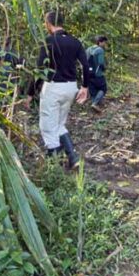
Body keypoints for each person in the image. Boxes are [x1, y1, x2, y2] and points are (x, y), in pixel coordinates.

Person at [34, 10, 89, 169]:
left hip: (53, 87)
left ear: (48, 24)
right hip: (71, 87)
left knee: (47, 127)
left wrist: (31, 92)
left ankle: (54, 167)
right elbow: (85, 65)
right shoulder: (75, 42)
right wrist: (84, 87)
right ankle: (73, 158)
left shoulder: (48, 41)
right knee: (59, 125)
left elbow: (40, 68)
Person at [86, 35, 108, 108]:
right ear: (100, 42)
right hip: (97, 74)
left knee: (93, 90)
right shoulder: (100, 50)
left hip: (88, 73)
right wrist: (104, 68)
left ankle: (95, 103)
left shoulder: (88, 49)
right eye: (104, 42)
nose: (105, 44)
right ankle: (95, 103)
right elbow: (101, 62)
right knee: (103, 88)